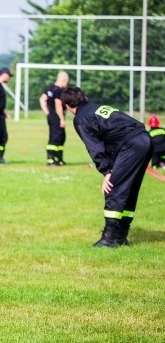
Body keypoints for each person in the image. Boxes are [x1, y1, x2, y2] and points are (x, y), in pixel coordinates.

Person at [61, 86, 152, 248]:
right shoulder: (96, 108)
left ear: (67, 106)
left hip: (131, 145)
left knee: (114, 188)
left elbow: (94, 146)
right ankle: (121, 236)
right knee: (129, 190)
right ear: (85, 97)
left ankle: (109, 239)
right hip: (144, 138)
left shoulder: (81, 118)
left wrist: (107, 172)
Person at [39, 71, 69, 166]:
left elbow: (42, 99)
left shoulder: (50, 89)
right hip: (57, 117)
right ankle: (51, 160)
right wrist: (62, 119)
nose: (66, 84)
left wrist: (47, 112)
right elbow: (58, 105)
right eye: (66, 82)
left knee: (61, 137)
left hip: (51, 115)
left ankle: (59, 158)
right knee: (55, 138)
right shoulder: (58, 91)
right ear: (63, 80)